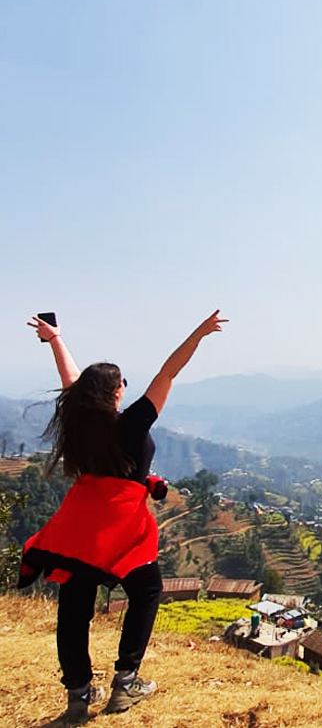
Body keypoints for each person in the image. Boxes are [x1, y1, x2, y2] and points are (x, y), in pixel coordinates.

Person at [18, 309, 228, 721]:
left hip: (78, 526)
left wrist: (56, 340)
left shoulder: (81, 422)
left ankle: (78, 694)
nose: (126, 387)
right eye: (122, 383)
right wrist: (199, 334)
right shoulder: (131, 424)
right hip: (118, 528)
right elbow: (169, 371)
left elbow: (74, 383)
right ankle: (126, 681)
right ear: (115, 392)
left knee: (75, 603)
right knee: (146, 591)